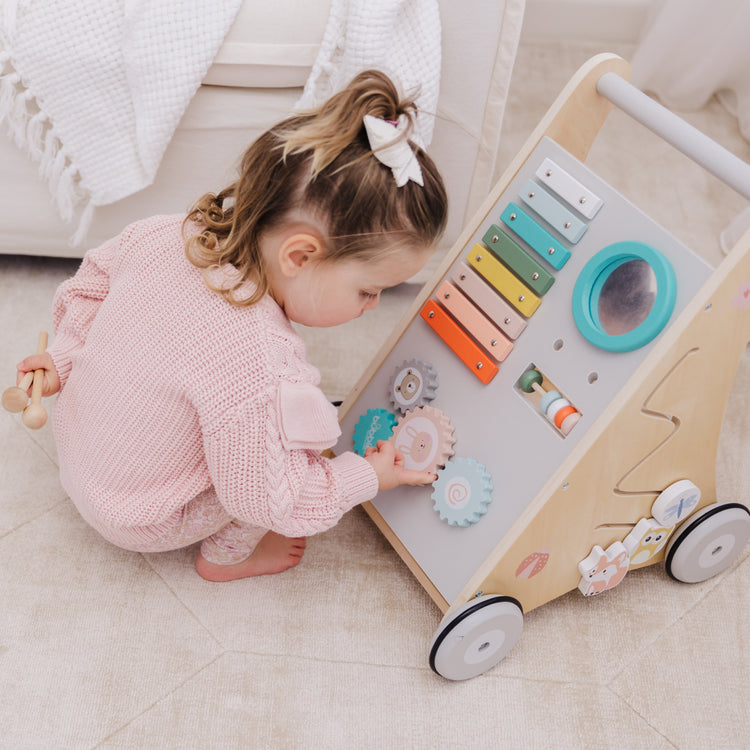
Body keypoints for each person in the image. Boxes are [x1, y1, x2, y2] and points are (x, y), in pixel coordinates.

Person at [15, 70, 448, 582]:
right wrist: (365, 474)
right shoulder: (260, 360)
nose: (373, 305)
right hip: (137, 517)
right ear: (300, 255)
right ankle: (227, 559)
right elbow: (270, 498)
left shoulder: (167, 233)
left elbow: (91, 287)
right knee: (264, 460)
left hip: (78, 447)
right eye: (368, 290)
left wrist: (64, 357)